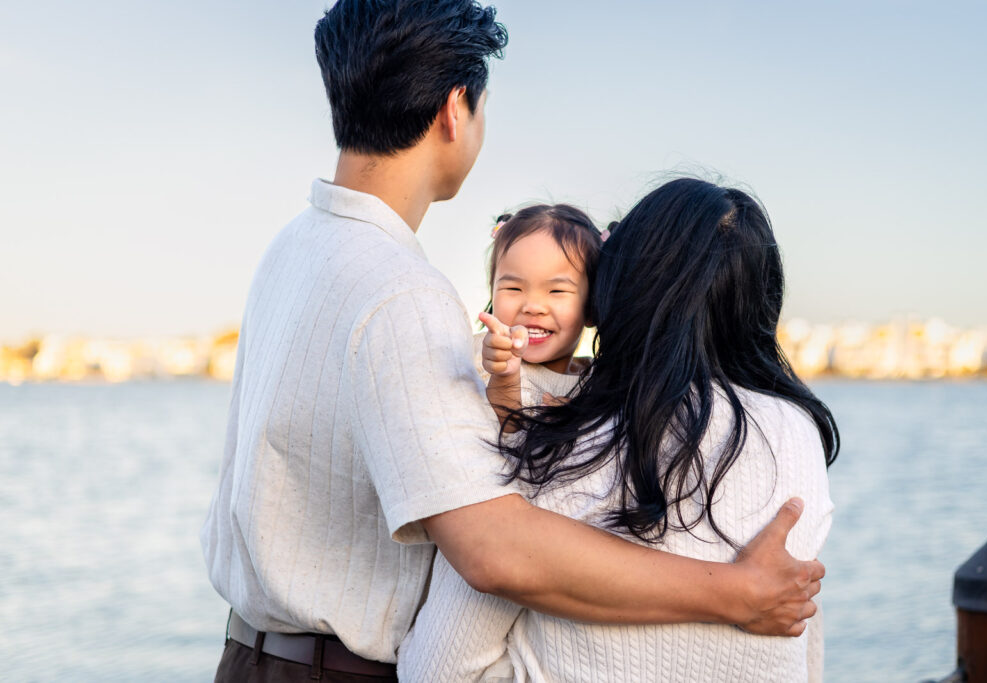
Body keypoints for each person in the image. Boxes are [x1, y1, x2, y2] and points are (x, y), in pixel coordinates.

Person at [200, 1, 825, 680]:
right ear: (454, 110)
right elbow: (494, 550)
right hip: (334, 671)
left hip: (249, 652)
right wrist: (734, 591)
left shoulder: (291, 248)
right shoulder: (404, 294)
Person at [399, 178, 840, 682]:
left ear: (620, 287)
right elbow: (803, 637)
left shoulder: (564, 444)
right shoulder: (800, 434)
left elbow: (437, 671)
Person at [475, 204, 603, 414]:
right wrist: (505, 378)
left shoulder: (597, 384)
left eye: (557, 291)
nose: (533, 307)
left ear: (591, 306)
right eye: (514, 288)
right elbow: (498, 434)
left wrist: (579, 423)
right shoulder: (477, 360)